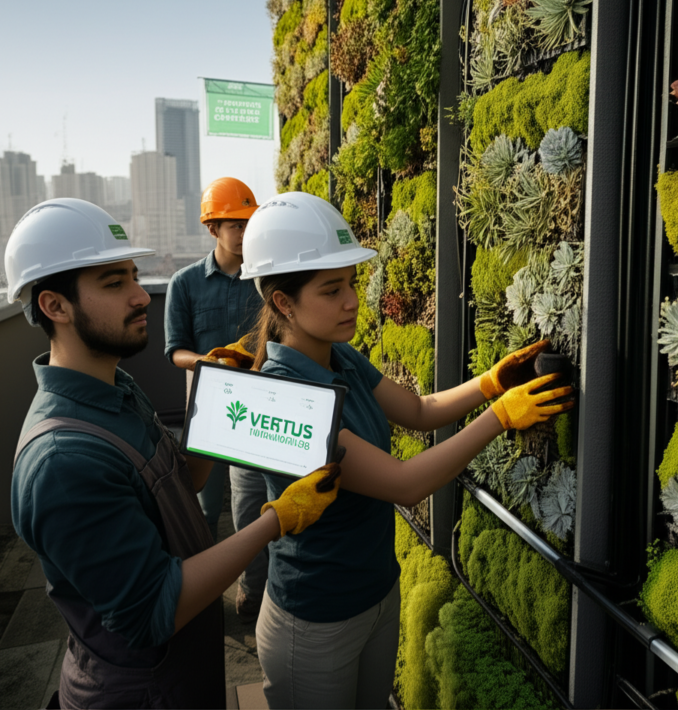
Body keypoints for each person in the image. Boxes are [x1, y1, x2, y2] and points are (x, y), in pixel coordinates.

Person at [225, 192, 575, 709]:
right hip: (315, 618)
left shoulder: (339, 357)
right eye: (331, 289)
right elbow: (404, 482)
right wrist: (501, 417)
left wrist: (491, 383)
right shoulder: (287, 397)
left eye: (351, 283)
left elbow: (418, 410)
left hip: (377, 594)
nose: (352, 301)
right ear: (283, 303)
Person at [5, 198, 341, 710]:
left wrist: (214, 396)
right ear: (54, 306)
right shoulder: (63, 461)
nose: (142, 296)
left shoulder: (116, 387)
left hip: (184, 672)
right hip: (139, 693)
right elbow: (154, 609)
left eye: (134, 277)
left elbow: (184, 482)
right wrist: (277, 518)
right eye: (114, 283)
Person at [164, 176, 268, 621]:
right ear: (213, 229)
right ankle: (200, 596)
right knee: (201, 510)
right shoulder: (184, 283)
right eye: (236, 225)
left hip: (250, 411)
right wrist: (208, 362)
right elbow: (175, 351)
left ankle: (251, 591)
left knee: (248, 507)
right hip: (206, 409)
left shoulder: (262, 280)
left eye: (249, 223)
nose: (244, 233)